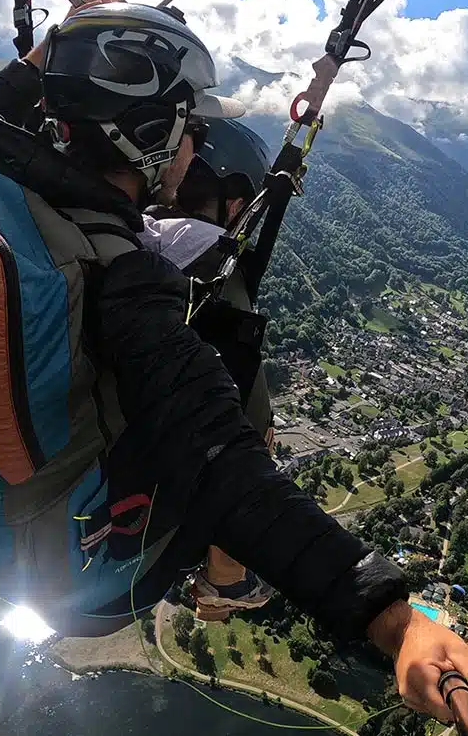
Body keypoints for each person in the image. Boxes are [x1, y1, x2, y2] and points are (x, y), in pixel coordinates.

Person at [0, 0, 468, 723]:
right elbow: (221, 464)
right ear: (147, 133)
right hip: (95, 581)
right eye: (189, 124)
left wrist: (63, 47)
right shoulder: (126, 280)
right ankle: (226, 577)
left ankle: (224, 575)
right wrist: (390, 615)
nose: (195, 142)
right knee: (239, 402)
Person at [140, 117, 279, 620]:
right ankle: (226, 577)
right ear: (237, 205)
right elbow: (247, 428)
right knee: (256, 434)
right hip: (144, 497)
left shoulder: (125, 230)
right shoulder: (214, 271)